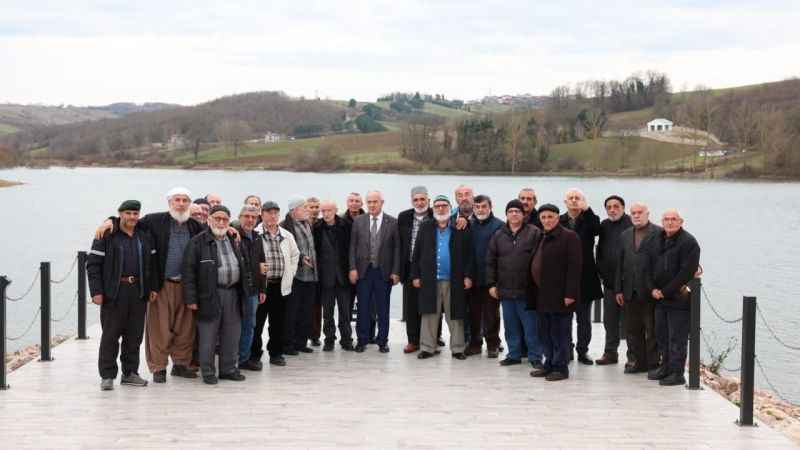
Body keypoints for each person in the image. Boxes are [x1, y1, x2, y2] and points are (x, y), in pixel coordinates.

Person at [95, 187, 205, 383]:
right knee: (159, 329)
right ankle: (158, 368)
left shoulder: (195, 226)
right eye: (177, 200)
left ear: (190, 204)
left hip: (186, 284)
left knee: (185, 328)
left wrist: (232, 229)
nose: (181, 204)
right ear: (170, 202)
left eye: (185, 200)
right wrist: (110, 221)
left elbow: (212, 234)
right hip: (162, 284)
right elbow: (129, 221)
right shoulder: (154, 221)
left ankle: (180, 364)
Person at [87, 200, 157, 391]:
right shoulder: (106, 234)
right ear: (120, 214)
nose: (132, 217)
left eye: (135, 213)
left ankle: (130, 373)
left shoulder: (144, 235)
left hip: (138, 292)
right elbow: (92, 265)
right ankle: (107, 375)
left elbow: (153, 264)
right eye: (128, 213)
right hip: (114, 293)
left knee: (134, 336)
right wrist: (96, 291)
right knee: (110, 335)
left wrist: (153, 287)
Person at [182, 205, 249, 385]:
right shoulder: (197, 242)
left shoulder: (235, 240)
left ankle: (228, 369)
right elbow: (188, 272)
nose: (221, 222)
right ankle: (208, 371)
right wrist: (191, 299)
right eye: (217, 218)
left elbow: (245, 266)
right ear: (209, 219)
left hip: (233, 293)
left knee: (232, 335)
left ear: (229, 221)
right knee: (208, 336)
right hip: (209, 294)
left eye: (224, 219)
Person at [411, 195, 473, 360]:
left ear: (450, 208)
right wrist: (415, 275)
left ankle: (458, 348)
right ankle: (427, 348)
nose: (440, 208)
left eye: (444, 206)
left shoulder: (459, 226)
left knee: (455, 316)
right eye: (437, 206)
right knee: (429, 315)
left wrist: (468, 276)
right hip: (430, 279)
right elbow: (417, 253)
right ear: (433, 208)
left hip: (454, 279)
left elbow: (469, 254)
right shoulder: (425, 227)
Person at [645, 209, 701, 386]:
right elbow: (647, 266)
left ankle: (677, 373)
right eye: (666, 219)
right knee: (662, 335)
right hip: (659, 298)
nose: (670, 222)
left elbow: (686, 272)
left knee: (677, 338)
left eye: (674, 219)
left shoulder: (689, 242)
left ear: (681, 221)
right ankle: (666, 368)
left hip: (678, 298)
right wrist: (653, 289)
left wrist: (666, 291)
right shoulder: (656, 239)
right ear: (662, 221)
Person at [487, 200, 543, 368]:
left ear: (523, 214)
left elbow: (541, 259)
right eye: (510, 211)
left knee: (531, 327)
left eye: (517, 211)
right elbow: (490, 262)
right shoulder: (498, 235)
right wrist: (491, 284)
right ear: (506, 214)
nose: (514, 214)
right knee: (511, 326)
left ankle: (535, 356)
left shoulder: (534, 233)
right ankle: (514, 354)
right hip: (505, 290)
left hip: (528, 291)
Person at [529, 204, 582, 381]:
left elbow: (575, 267)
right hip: (541, 294)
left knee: (559, 334)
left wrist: (570, 294)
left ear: (557, 218)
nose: (547, 220)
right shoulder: (541, 236)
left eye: (550, 217)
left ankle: (560, 368)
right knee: (544, 333)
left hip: (560, 295)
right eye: (543, 217)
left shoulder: (569, 237)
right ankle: (549, 364)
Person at [349, 190, 401, 353]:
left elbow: (397, 249)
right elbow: (352, 247)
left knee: (383, 308)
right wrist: (352, 268)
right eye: (369, 202)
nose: (371, 205)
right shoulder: (358, 221)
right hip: (363, 271)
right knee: (363, 307)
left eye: (375, 202)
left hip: (383, 272)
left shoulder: (393, 222)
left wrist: (396, 271)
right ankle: (362, 340)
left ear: (381, 203)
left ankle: (382, 341)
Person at [249, 201, 300, 367]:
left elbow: (295, 255)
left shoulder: (287, 235)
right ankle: (254, 355)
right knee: (257, 323)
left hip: (280, 285)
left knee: (278, 323)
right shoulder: (255, 234)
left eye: (275, 213)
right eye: (269, 213)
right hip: (262, 287)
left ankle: (276, 353)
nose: (272, 216)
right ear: (262, 214)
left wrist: (290, 273)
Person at [615, 202, 662, 373]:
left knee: (652, 329)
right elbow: (620, 263)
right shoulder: (625, 235)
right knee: (632, 330)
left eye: (640, 212)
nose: (636, 215)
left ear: (647, 214)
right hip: (629, 290)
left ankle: (653, 363)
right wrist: (618, 289)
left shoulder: (659, 233)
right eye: (633, 213)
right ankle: (636, 361)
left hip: (651, 291)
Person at [560, 188, 602, 365]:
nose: (574, 200)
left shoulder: (590, 219)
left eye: (577, 198)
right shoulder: (559, 220)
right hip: (563, 277)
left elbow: (597, 230)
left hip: (586, 277)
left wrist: (587, 209)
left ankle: (582, 350)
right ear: (565, 202)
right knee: (565, 318)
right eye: (570, 198)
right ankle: (567, 349)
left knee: (584, 319)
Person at [595, 195, 633, 365]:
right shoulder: (604, 225)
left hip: (629, 284)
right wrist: (601, 272)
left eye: (616, 206)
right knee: (610, 321)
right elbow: (600, 250)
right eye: (609, 207)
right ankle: (610, 353)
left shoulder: (631, 223)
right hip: (610, 283)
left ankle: (633, 356)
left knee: (631, 323)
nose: (612, 210)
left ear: (623, 208)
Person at [313, 200, 354, 351]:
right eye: (323, 211)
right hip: (325, 277)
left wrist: (352, 269)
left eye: (329, 210)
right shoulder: (316, 227)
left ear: (336, 210)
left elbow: (352, 249)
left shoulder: (346, 225)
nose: (326, 214)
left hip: (343, 276)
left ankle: (346, 339)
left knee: (345, 311)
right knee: (327, 312)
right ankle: (329, 339)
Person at [280, 196, 318, 354]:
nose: (308, 210)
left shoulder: (307, 223)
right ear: (294, 210)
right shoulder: (284, 226)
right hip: (295, 276)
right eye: (304, 207)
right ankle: (288, 345)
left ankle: (301, 343)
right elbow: (285, 251)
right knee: (292, 312)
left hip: (310, 275)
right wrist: (302, 258)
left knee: (306, 311)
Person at [397, 186, 433, 353]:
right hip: (410, 267)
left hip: (431, 268)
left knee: (431, 306)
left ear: (428, 200)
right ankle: (413, 340)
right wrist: (397, 270)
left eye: (422, 199)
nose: (419, 203)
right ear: (412, 201)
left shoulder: (436, 214)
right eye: (416, 200)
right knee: (411, 307)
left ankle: (433, 338)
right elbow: (399, 244)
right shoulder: (404, 217)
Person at [468, 194, 504, 357]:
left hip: (491, 278)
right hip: (472, 279)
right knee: (473, 313)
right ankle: (475, 343)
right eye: (477, 207)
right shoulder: (468, 224)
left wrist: (496, 280)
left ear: (490, 207)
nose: (480, 210)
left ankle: (493, 344)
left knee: (492, 314)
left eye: (484, 206)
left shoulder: (500, 226)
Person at [234, 205, 267, 371]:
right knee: (233, 326)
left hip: (253, 290)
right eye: (246, 216)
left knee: (249, 325)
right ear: (239, 217)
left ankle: (243, 359)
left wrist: (262, 289)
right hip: (235, 290)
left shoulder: (257, 237)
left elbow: (262, 264)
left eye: (253, 217)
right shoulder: (232, 235)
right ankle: (230, 359)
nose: (250, 220)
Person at [306, 196, 323, 346]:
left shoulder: (322, 225)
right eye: (311, 207)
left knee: (317, 306)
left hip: (319, 271)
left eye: (317, 207)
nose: (314, 210)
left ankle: (315, 335)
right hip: (304, 270)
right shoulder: (301, 224)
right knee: (304, 304)